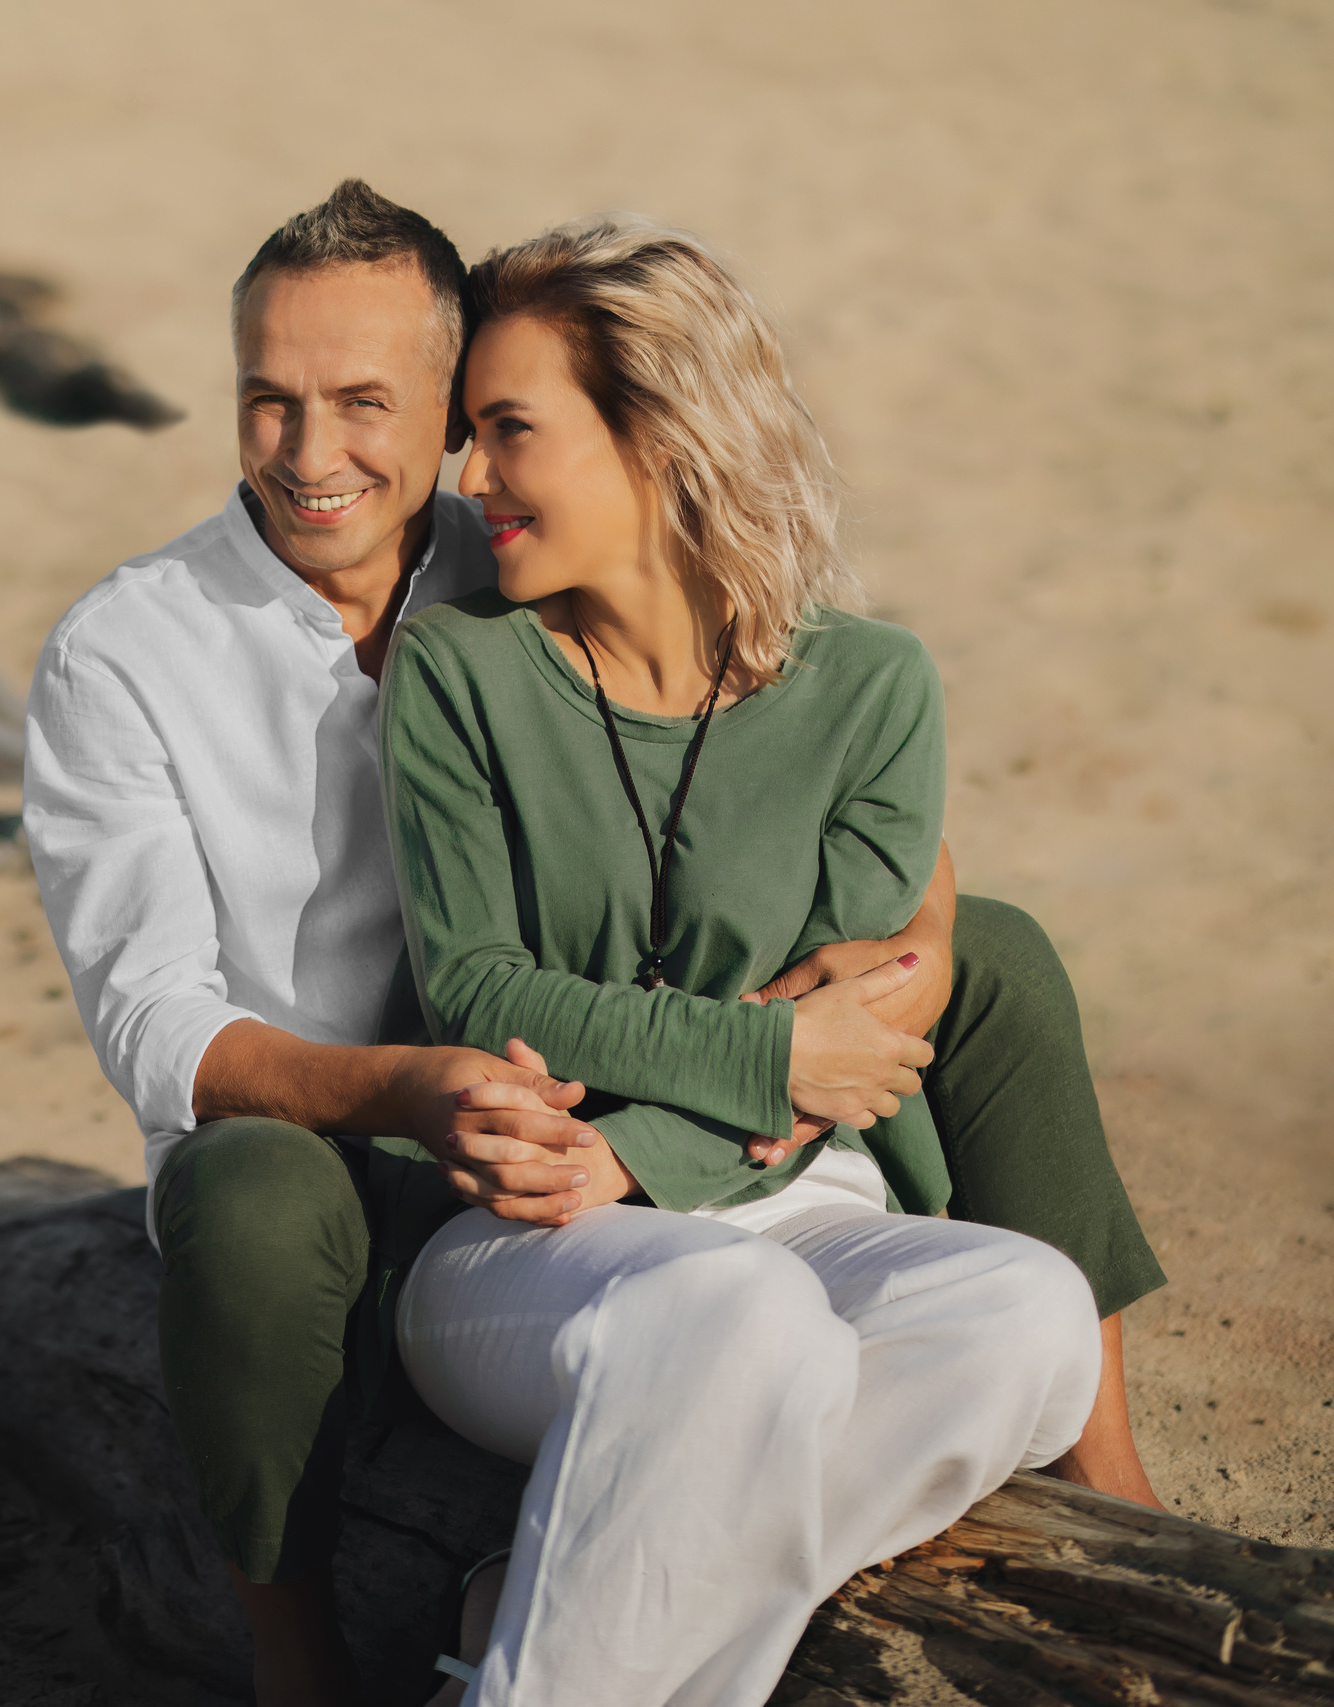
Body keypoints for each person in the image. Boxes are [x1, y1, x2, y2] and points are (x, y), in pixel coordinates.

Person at [20, 181, 1166, 1707]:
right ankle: (299, 1664)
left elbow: (807, 762)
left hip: (622, 1131)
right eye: (267, 403)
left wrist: (924, 929)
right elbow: (159, 1020)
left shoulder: (502, 555)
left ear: (440, 411)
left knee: (1000, 1002)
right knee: (251, 1190)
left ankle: (1074, 1487)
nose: (312, 456)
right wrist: (415, 1090)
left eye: (367, 404)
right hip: (361, 1147)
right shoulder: (142, 651)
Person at [382, 214, 1107, 1707]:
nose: (467, 479)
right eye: (468, 436)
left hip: (803, 1213)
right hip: (535, 1239)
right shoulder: (459, 673)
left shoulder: (872, 687)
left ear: (660, 438)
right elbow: (484, 991)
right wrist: (765, 1063)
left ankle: (532, 1619)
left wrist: (643, 1141)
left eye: (508, 431)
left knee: (1027, 1313)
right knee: (733, 1317)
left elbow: (867, 1033)